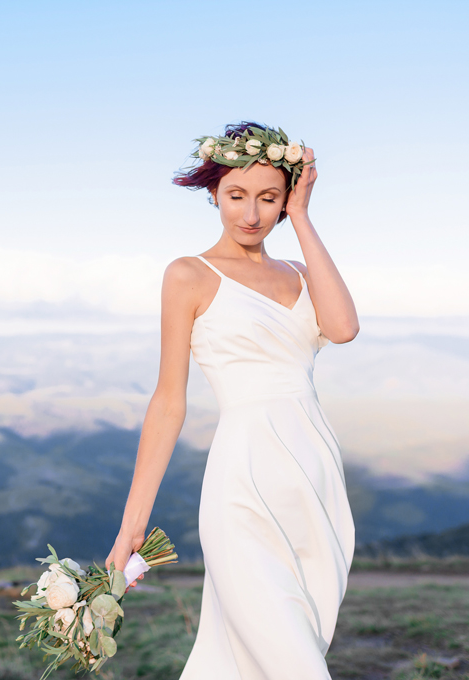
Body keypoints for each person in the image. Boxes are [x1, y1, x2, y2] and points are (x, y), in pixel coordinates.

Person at [105, 121, 358, 679]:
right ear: (214, 193)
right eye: (236, 195)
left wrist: (303, 218)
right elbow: (169, 401)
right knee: (291, 662)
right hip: (242, 479)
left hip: (314, 476)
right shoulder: (189, 274)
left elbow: (341, 328)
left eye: (269, 199)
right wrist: (132, 527)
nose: (251, 214)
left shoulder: (299, 270)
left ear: (285, 198)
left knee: (277, 652)